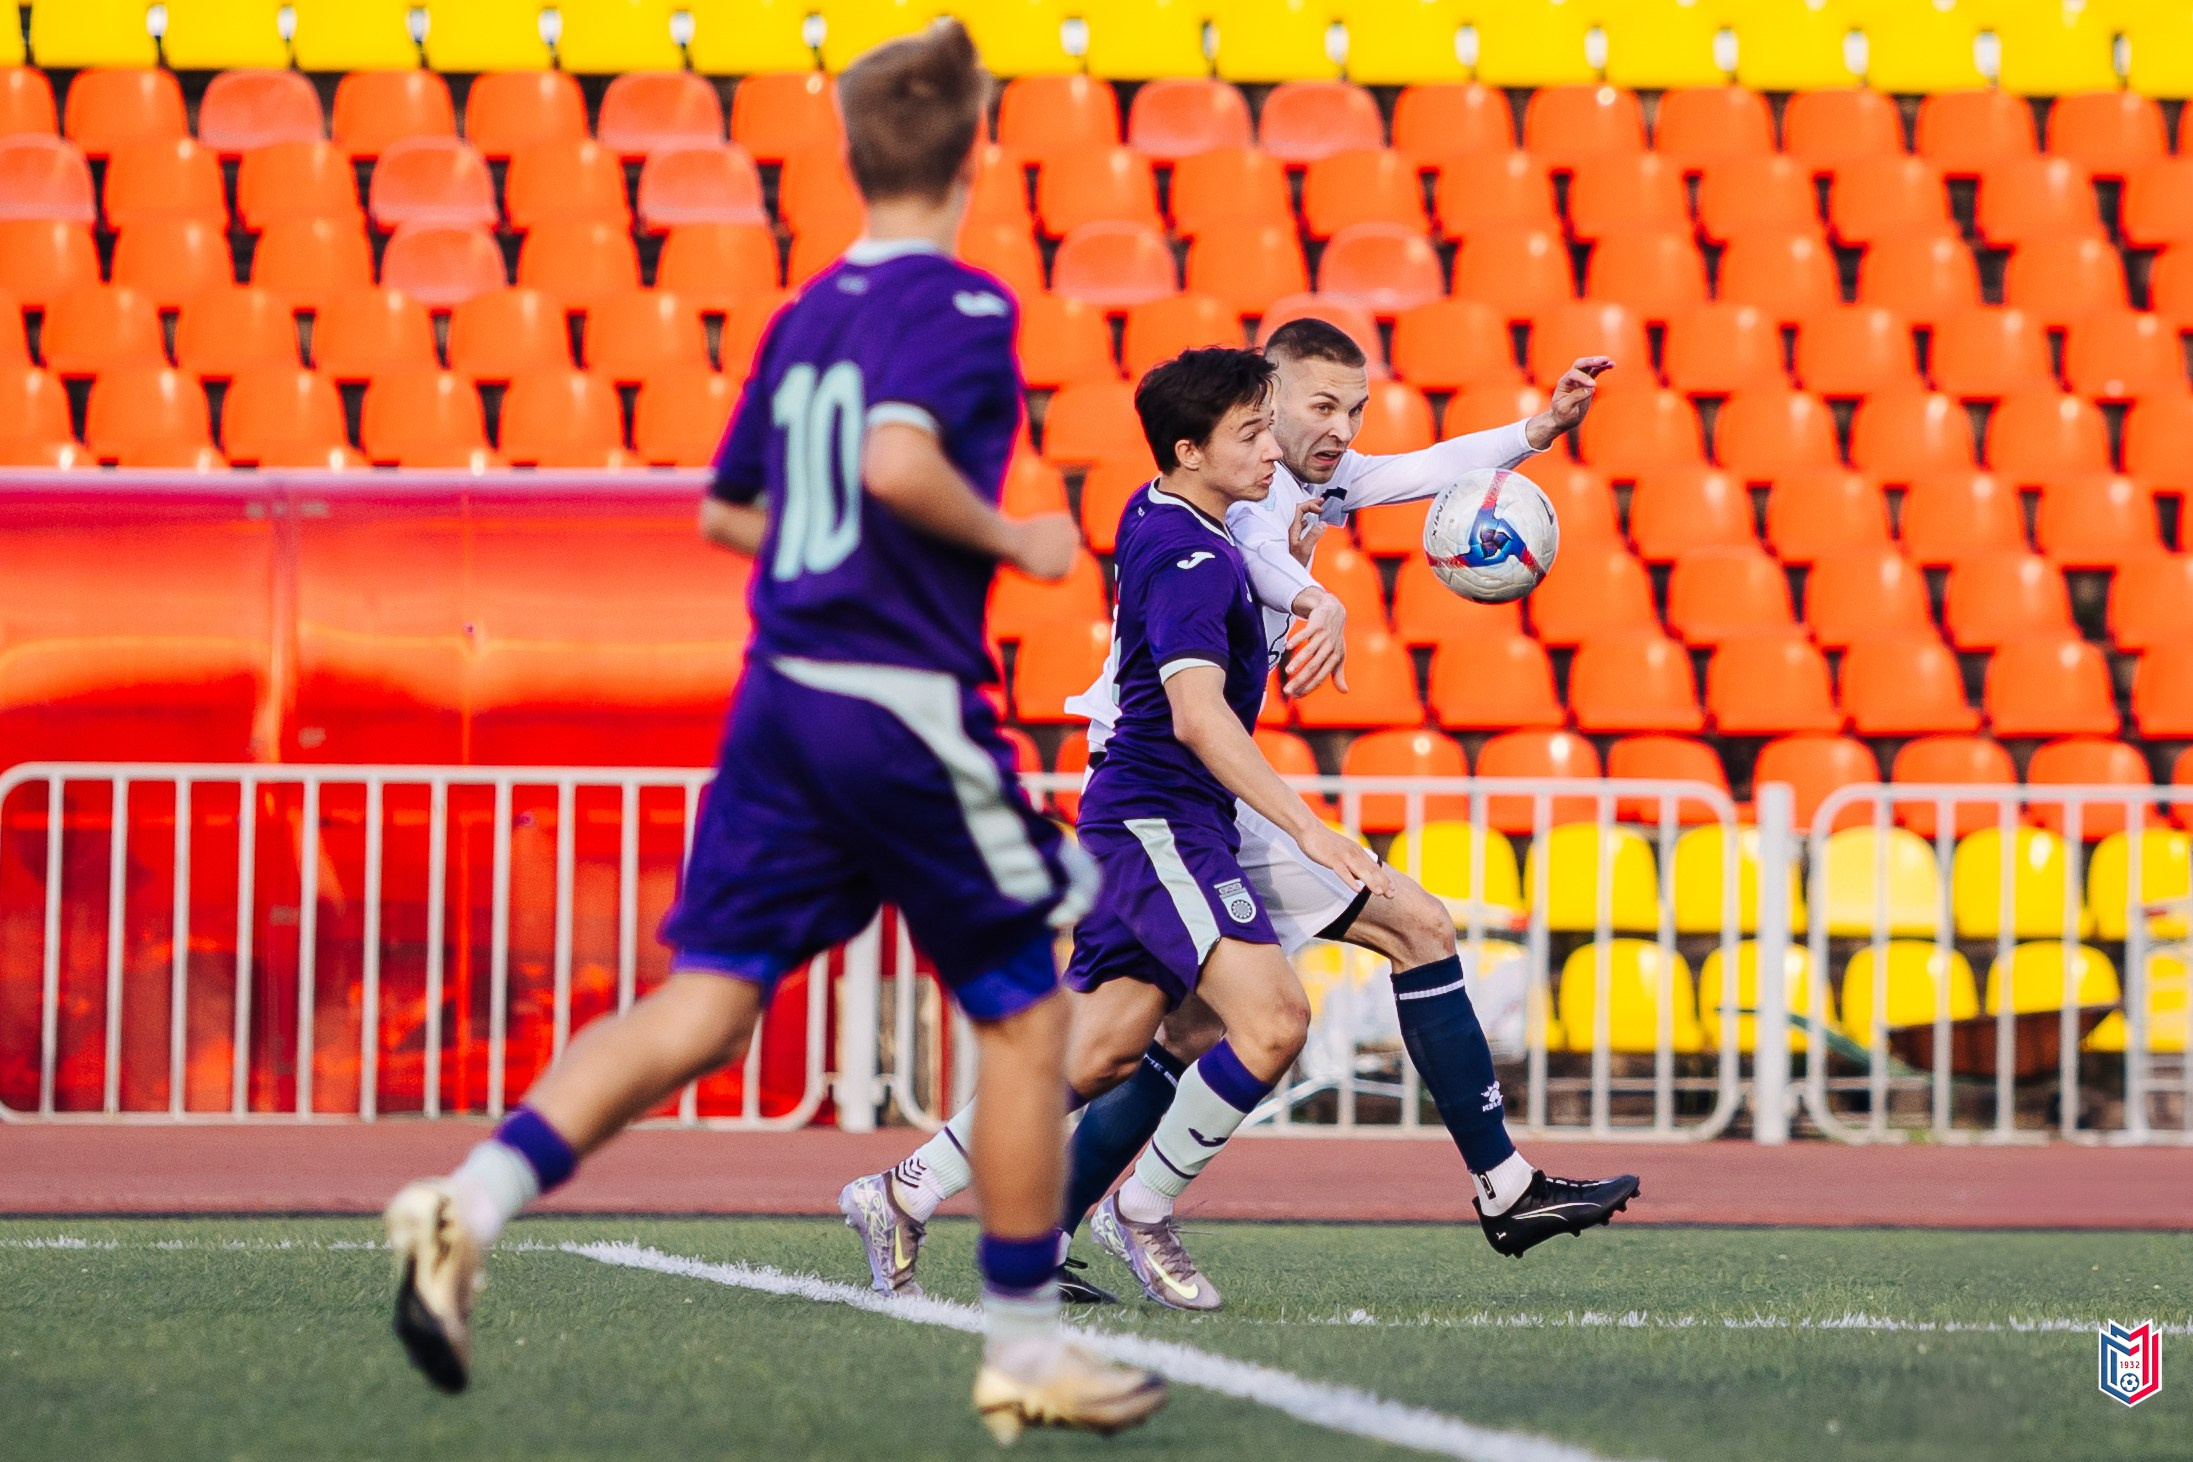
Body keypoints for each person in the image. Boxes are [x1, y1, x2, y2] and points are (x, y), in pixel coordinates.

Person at [381, 22, 1165, 1442]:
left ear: (853, 160)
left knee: (706, 1001)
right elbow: (892, 458)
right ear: (976, 153)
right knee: (1027, 1009)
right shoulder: (968, 308)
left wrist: (830, 544)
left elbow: (726, 510)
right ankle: (1025, 1344)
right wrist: (1019, 540)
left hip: (783, 694)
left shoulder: (806, 314)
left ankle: (470, 1197)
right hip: (898, 698)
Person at [845, 321, 1638, 1310]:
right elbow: (1218, 644)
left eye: (1352, 410)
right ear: (1253, 409)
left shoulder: (1228, 499)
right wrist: (1316, 611)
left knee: (1118, 1045)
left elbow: (1411, 472)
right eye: (1306, 412)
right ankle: (1155, 1209)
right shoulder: (1219, 527)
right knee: (1329, 981)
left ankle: (915, 1193)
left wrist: (1535, 431)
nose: (1336, 431)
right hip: (1167, 795)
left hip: (1183, 799)